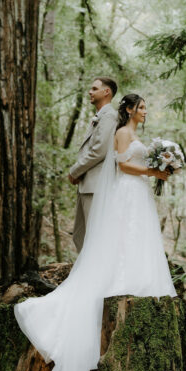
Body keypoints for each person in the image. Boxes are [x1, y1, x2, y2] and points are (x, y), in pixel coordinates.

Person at [13, 92, 175, 371]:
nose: (145, 112)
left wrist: (161, 165)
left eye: (145, 108)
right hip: (128, 193)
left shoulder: (140, 136)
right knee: (125, 238)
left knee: (140, 239)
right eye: (141, 107)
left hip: (138, 195)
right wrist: (154, 172)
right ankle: (120, 279)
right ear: (129, 110)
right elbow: (121, 164)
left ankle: (140, 279)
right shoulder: (121, 132)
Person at [68, 77, 118, 252]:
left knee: (94, 236)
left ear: (106, 92)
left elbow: (99, 150)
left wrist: (75, 171)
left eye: (94, 88)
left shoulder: (109, 116)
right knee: (80, 235)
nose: (90, 92)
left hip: (96, 186)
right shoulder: (100, 116)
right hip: (87, 184)